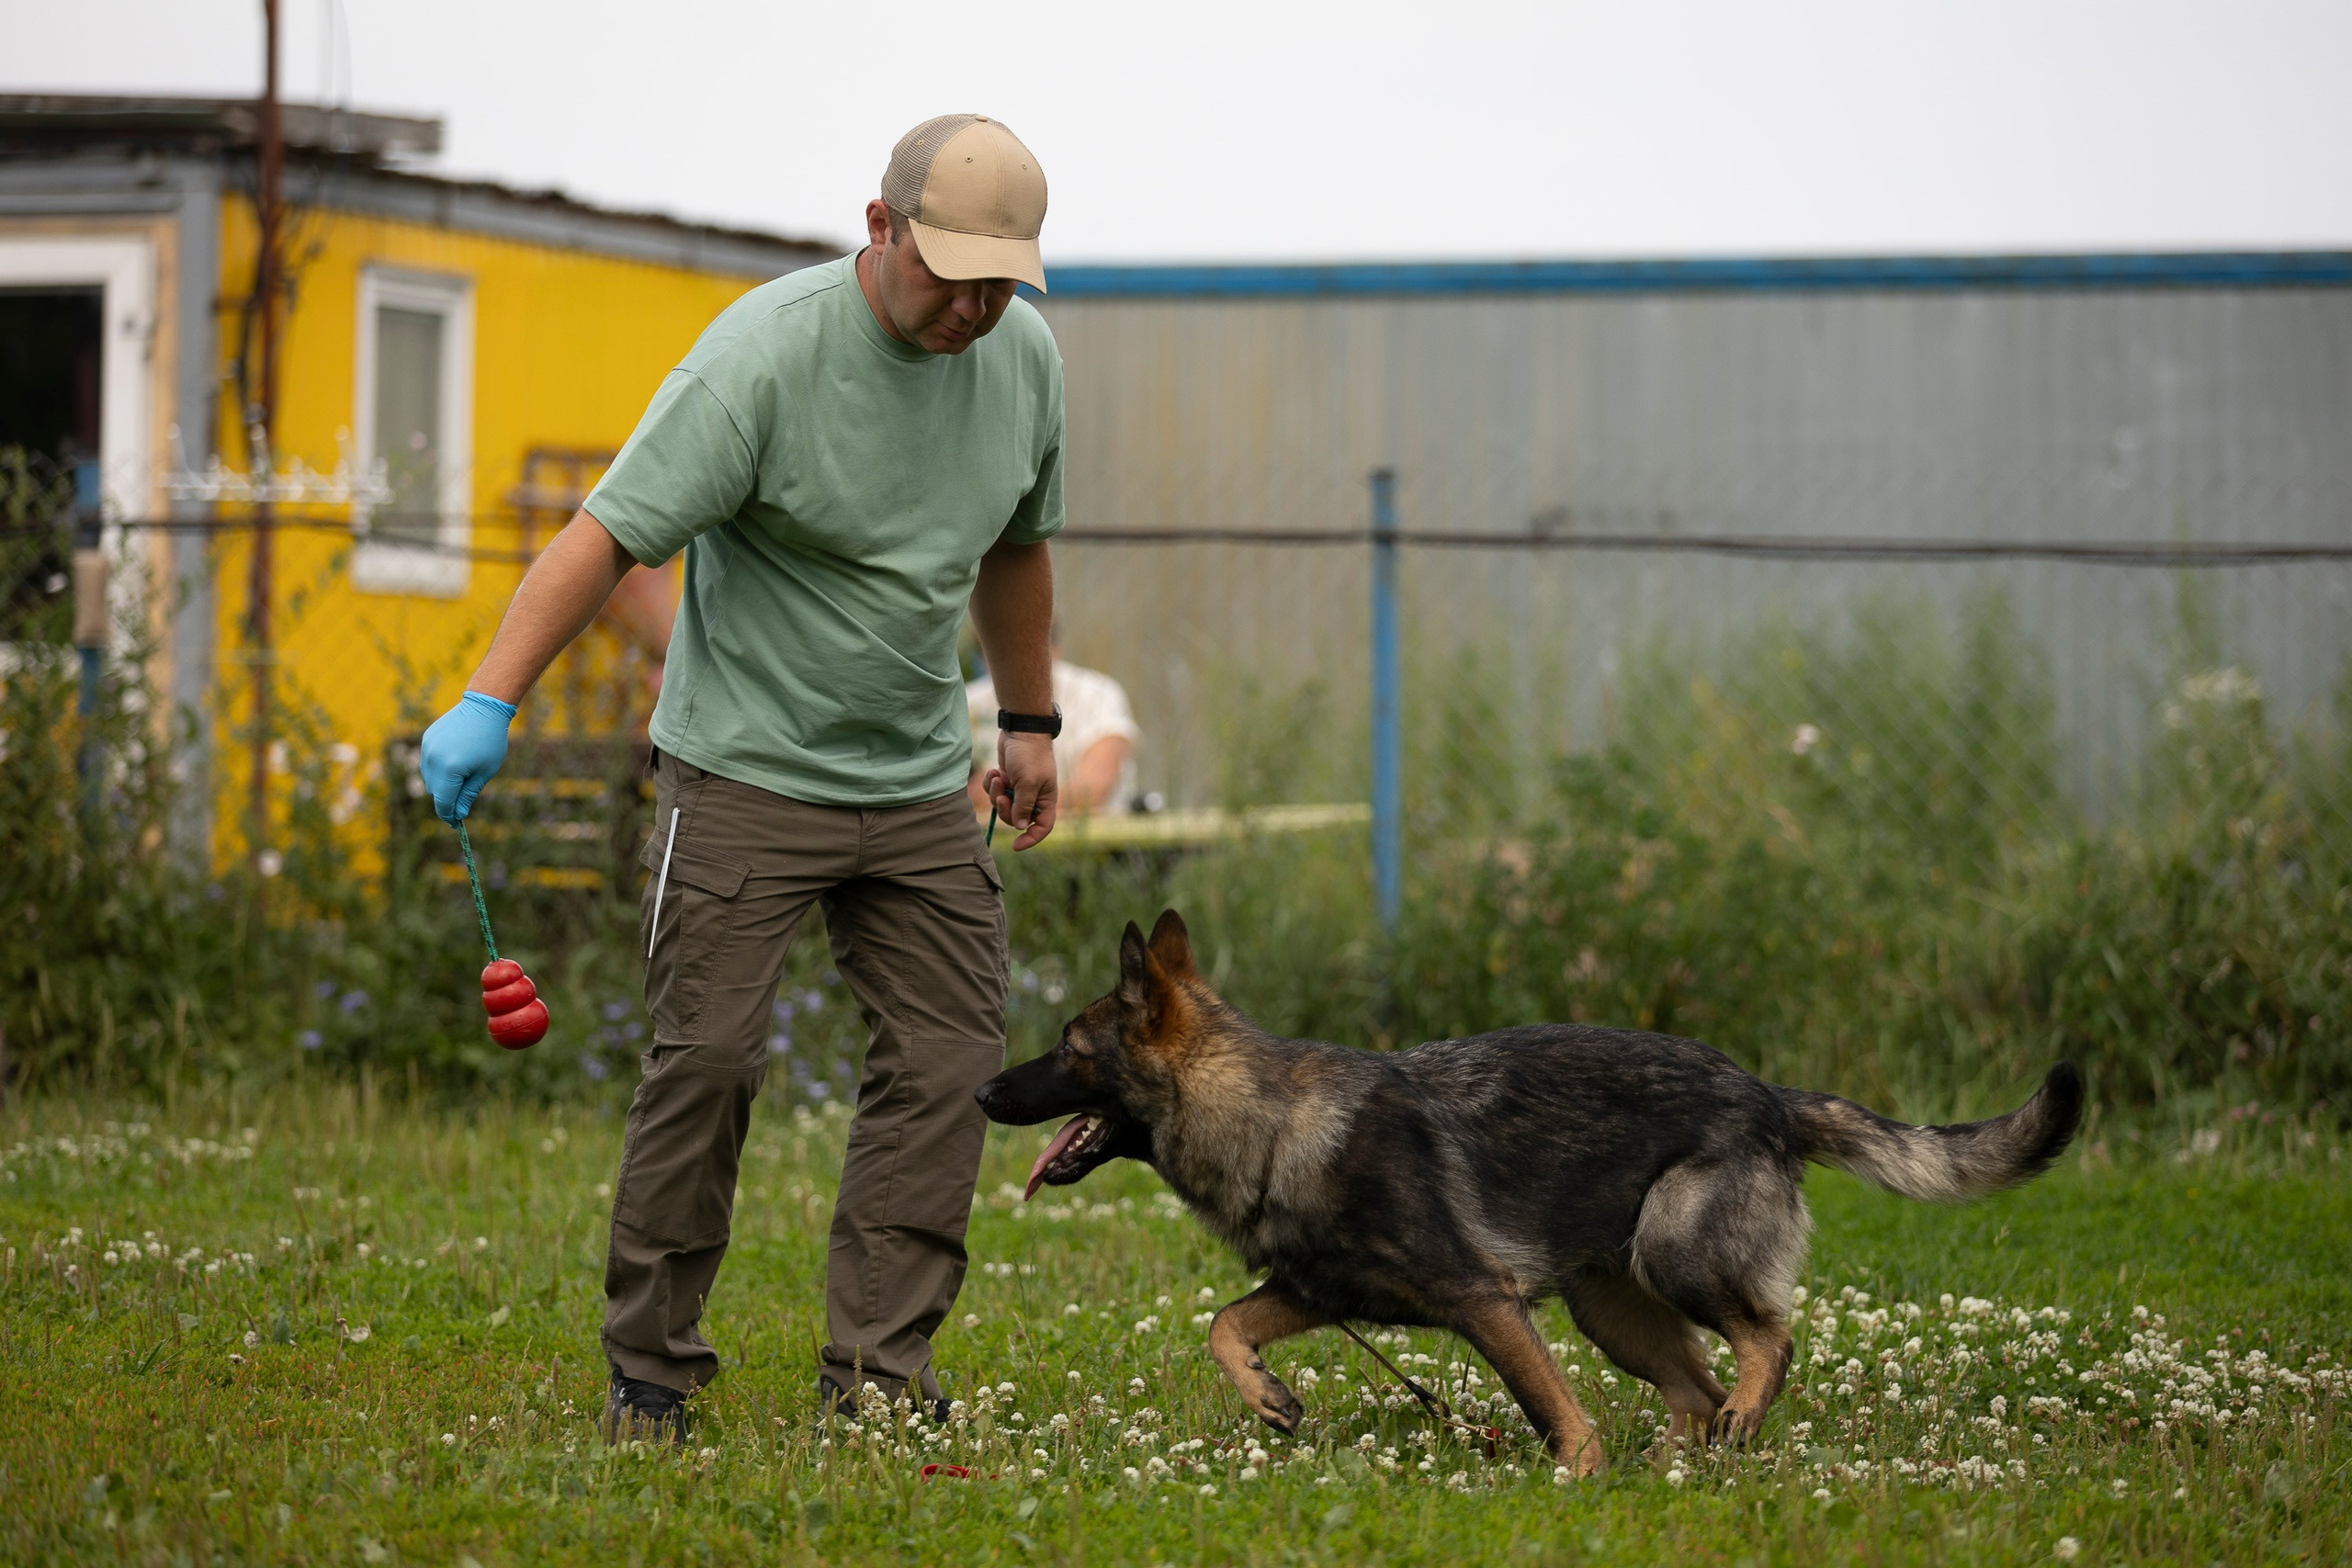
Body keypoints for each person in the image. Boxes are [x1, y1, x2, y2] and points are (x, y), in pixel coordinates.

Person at [417, 114, 1067, 1443]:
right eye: (951, 276)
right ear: (879, 228)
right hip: (745, 773)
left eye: (1000, 284)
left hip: (915, 778)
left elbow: (1015, 545)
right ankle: (651, 1369)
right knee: (707, 1060)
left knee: (949, 1058)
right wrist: (490, 697)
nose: (973, 309)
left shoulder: (1024, 362)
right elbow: (607, 535)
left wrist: (1028, 720)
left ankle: (879, 1376)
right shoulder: (762, 356)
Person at [966, 637, 1141, 816]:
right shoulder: (969, 701)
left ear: (1053, 648)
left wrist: (1009, 802)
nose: (1015, 663)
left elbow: (1092, 791)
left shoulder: (1098, 693)